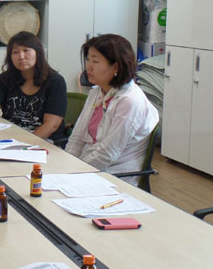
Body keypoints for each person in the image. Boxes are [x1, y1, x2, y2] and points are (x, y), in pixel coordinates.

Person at [66, 34, 159, 185]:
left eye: (95, 61)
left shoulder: (130, 100)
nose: (88, 66)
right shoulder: (97, 92)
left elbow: (107, 153)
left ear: (116, 67)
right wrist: (66, 165)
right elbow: (76, 137)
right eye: (88, 59)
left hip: (114, 176)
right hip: (87, 167)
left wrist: (75, 174)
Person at [0, 31, 67, 144]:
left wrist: (24, 145)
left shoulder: (55, 82)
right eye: (15, 52)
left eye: (26, 50)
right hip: (10, 138)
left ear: (38, 52)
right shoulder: (5, 79)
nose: (21, 56)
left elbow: (51, 125)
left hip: (44, 141)